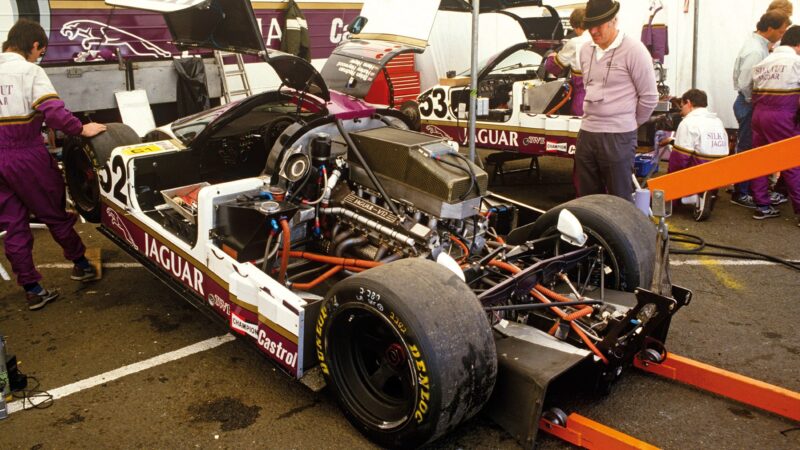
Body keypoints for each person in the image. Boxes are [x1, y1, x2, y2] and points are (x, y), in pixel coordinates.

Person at [1, 19, 106, 310]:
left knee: (13, 224)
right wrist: (81, 129)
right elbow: (54, 113)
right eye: (41, 52)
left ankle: (33, 289)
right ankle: (82, 265)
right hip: (25, 154)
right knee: (54, 212)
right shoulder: (29, 71)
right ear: (34, 46)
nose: (39, 57)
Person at [574, 0, 658, 200]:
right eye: (589, 26)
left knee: (619, 197)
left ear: (614, 21)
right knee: (586, 198)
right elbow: (588, 87)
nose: (593, 31)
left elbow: (649, 97)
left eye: (599, 25)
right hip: (587, 133)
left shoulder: (634, 50)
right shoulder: (586, 50)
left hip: (619, 135)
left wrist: (629, 122)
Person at [730, 11, 790, 208]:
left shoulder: (756, 45)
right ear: (770, 28)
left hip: (747, 102)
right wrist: (754, 102)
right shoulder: (756, 50)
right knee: (748, 150)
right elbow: (746, 82)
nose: (782, 36)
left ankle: (744, 189)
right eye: (781, 32)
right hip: (748, 103)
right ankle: (742, 192)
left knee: (749, 148)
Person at [748, 25, 800, 223]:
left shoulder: (763, 61)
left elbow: (748, 88)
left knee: (760, 160)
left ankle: (762, 205)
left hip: (759, 114)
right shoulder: (796, 62)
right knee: (793, 162)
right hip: (784, 115)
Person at [666, 89, 729, 221]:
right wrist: (672, 141)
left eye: (682, 106)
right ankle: (708, 193)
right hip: (721, 171)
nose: (681, 111)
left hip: (700, 172)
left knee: (678, 158)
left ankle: (694, 195)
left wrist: (669, 182)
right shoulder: (717, 121)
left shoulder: (688, 122)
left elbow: (680, 159)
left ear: (688, 103)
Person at [543, 8, 591, 116]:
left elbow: (554, 67)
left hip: (582, 99)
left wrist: (552, 56)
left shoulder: (575, 42)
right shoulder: (600, 40)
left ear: (575, 26)